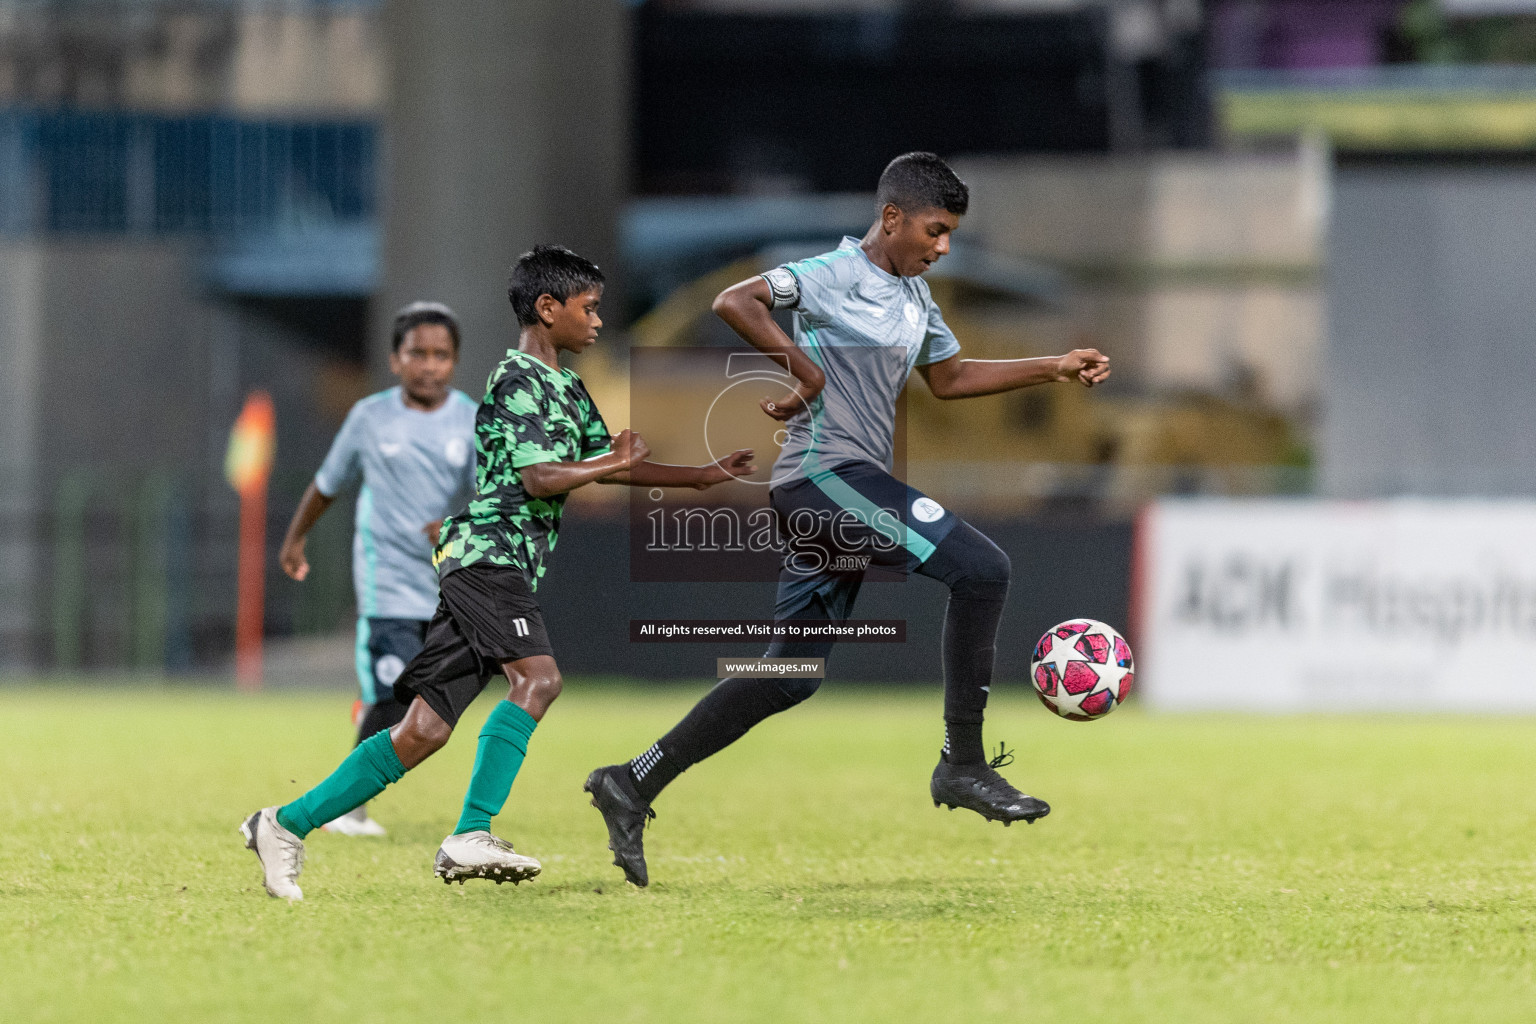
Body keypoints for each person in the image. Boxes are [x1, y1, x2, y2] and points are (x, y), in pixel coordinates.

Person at [585, 152, 1111, 887]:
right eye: (936, 229)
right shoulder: (830, 275)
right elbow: (735, 301)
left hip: (840, 488)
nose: (944, 247)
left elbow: (950, 379)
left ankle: (631, 782)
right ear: (892, 217)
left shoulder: (916, 296)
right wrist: (804, 369)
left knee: (791, 675)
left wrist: (1051, 364)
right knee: (983, 568)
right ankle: (962, 763)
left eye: (952, 233)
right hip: (827, 480)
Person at [241, 245, 754, 900]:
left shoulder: (566, 387)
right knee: (538, 680)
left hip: (489, 565)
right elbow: (541, 477)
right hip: (489, 557)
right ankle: (471, 833)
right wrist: (605, 465)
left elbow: (611, 460)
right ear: (548, 308)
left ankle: (282, 824)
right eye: (589, 308)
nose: (598, 321)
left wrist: (702, 477)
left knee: (422, 731)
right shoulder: (515, 382)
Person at [278, 301, 476, 836]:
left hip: (442, 588)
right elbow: (328, 483)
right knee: (396, 692)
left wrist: (457, 524)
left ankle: (351, 793)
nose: (429, 365)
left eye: (441, 355)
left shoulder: (470, 419)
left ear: (455, 362)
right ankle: (346, 807)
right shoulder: (370, 416)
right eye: (418, 353)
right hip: (385, 583)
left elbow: (492, 498)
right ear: (395, 360)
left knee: (419, 702)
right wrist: (295, 538)